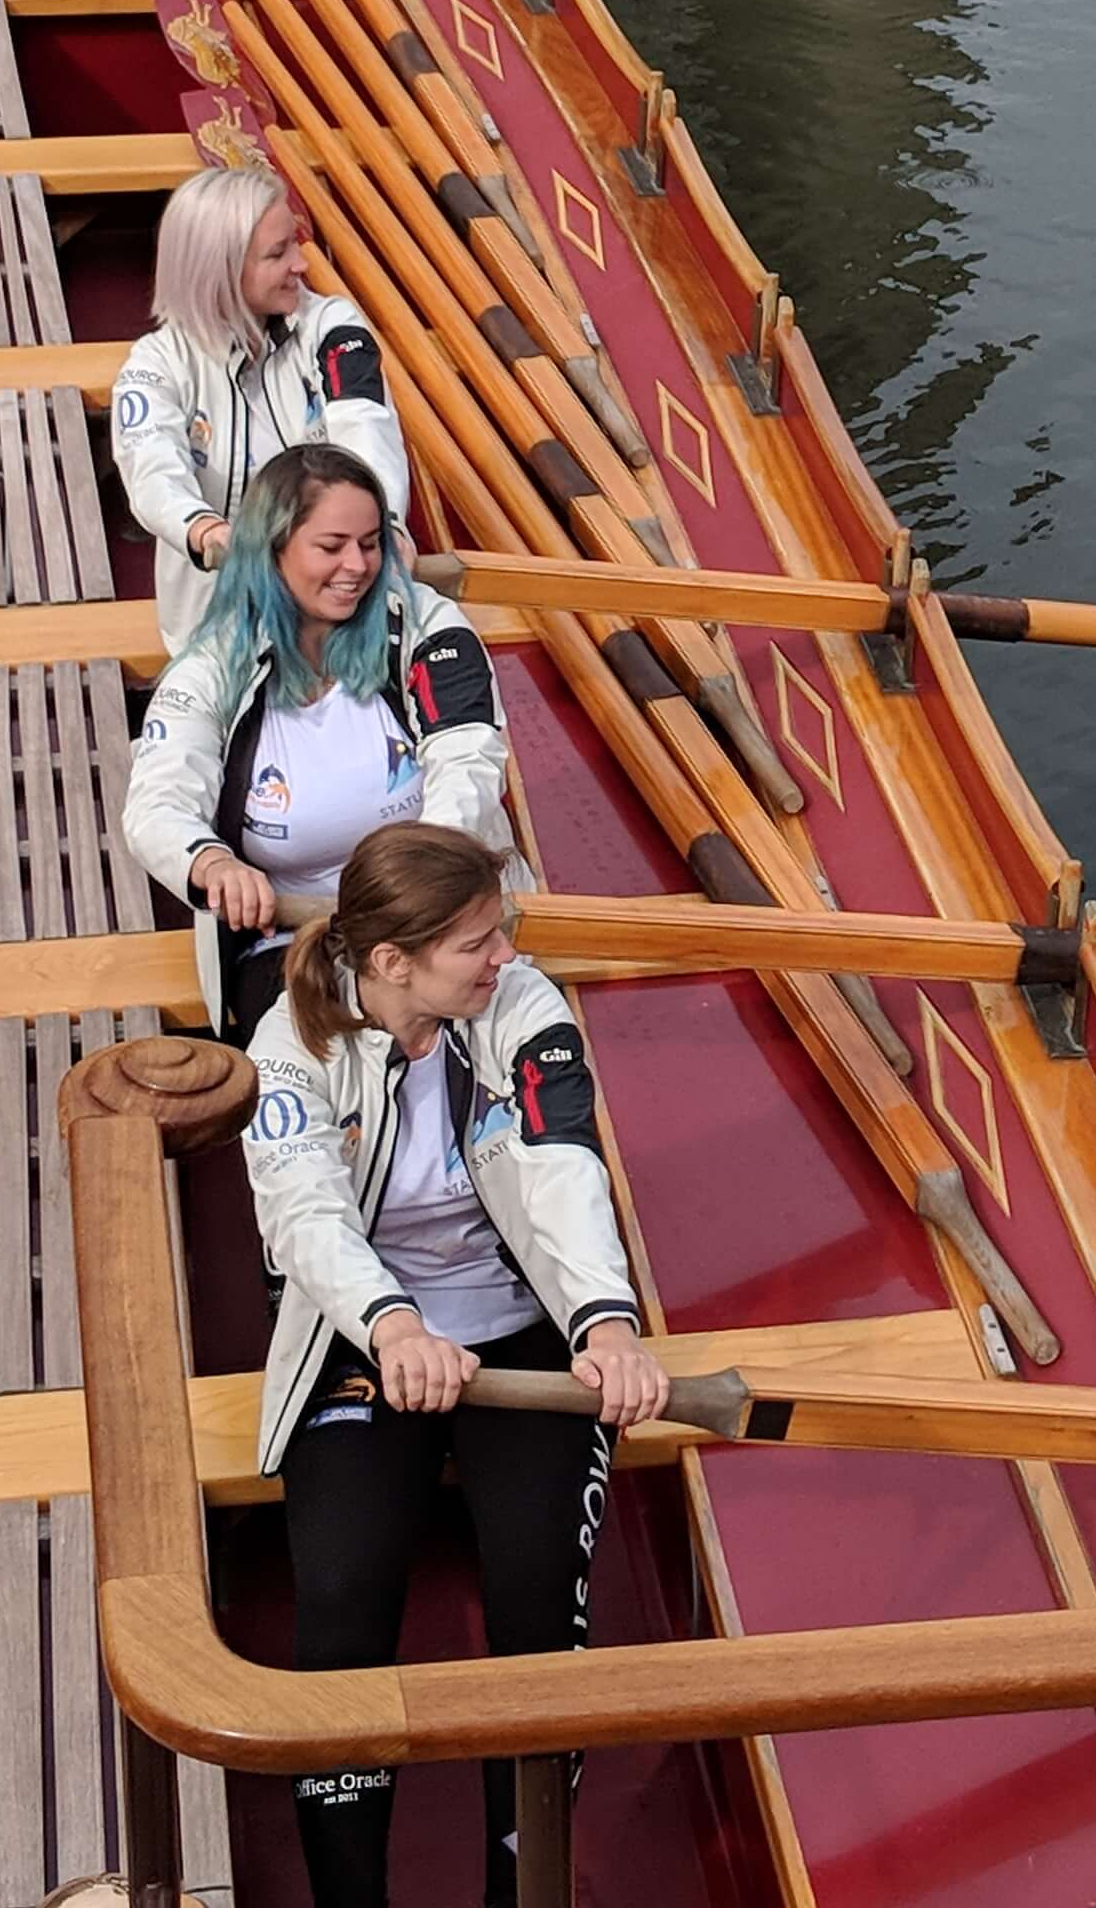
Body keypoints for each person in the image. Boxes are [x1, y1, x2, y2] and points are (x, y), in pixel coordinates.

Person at [242, 819, 666, 1908]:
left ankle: (518, 1893)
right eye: (477, 942)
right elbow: (306, 1220)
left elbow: (559, 1168)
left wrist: (605, 1326)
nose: (505, 957)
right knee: (338, 1605)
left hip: (521, 1330)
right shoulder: (291, 1040)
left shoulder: (522, 1013)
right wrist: (391, 1326)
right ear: (393, 963)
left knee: (539, 1605)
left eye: (502, 932)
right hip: (361, 1337)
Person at [127, 442, 515, 1045]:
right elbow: (156, 807)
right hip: (292, 939)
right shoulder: (211, 667)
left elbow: (469, 758)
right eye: (331, 547)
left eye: (370, 543)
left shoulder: (427, 629)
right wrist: (212, 861)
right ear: (272, 551)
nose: (358, 566)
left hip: (440, 923)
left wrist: (417, 897)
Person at [116, 165, 411, 652]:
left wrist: (385, 520)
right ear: (220, 268)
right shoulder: (156, 363)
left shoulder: (333, 325)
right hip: (219, 631)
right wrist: (207, 531)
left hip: (343, 618)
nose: (301, 264)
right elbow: (151, 471)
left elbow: (366, 425)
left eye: (295, 243)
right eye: (278, 253)